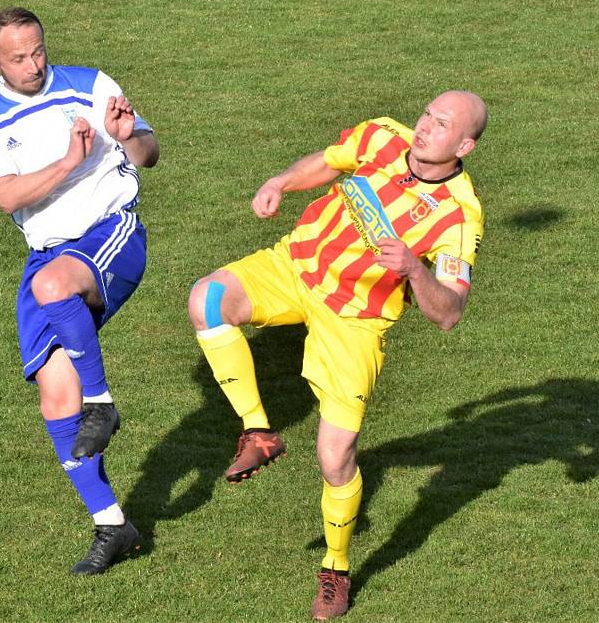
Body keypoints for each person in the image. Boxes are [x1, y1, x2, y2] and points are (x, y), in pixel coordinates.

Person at [188, 90, 487, 620]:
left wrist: (415, 270)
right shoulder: (382, 135)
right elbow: (327, 162)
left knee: (335, 456)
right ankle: (259, 431)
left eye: (441, 125)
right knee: (208, 300)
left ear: (464, 144)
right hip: (296, 266)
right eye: (426, 115)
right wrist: (281, 180)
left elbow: (450, 313)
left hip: (354, 319)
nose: (424, 128)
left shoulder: (458, 216)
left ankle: (336, 568)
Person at [0, 7, 159, 575]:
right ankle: (112, 525)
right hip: (47, 252)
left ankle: (104, 403)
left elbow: (148, 153)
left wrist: (128, 137)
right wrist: (70, 159)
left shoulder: (92, 85)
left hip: (110, 232)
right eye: (18, 57)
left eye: (38, 51)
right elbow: (7, 196)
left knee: (52, 287)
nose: (32, 64)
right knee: (55, 398)